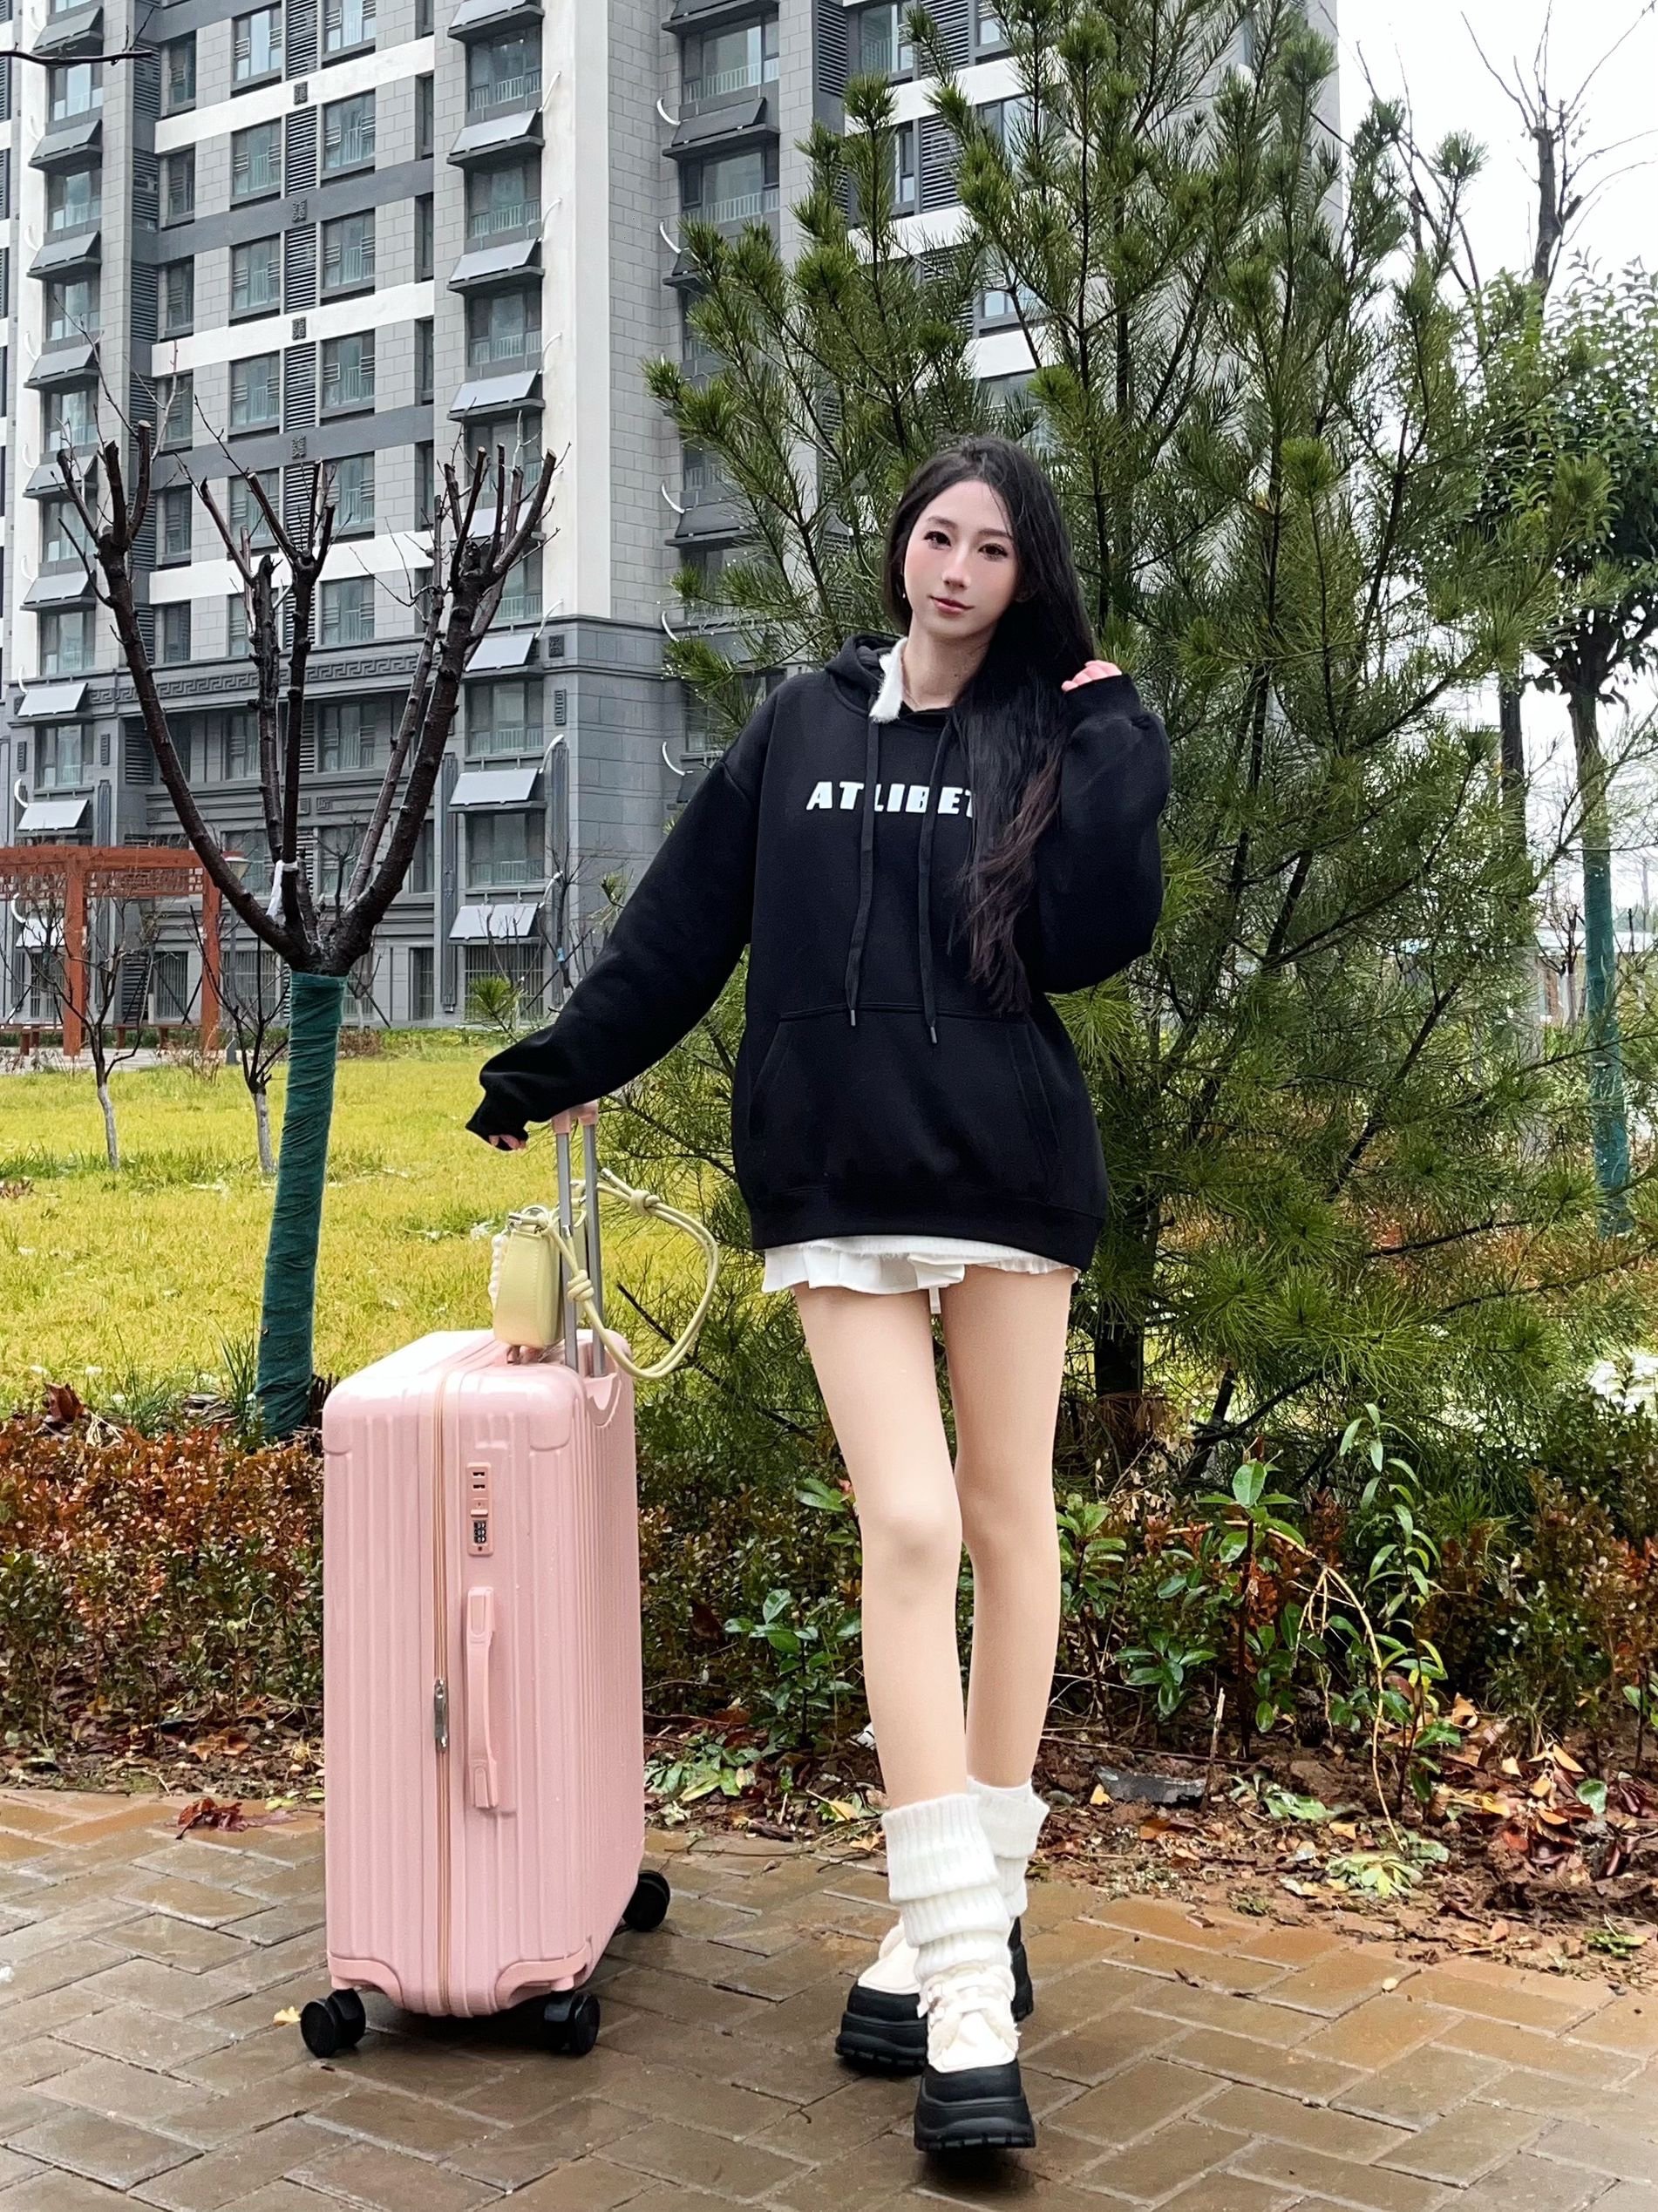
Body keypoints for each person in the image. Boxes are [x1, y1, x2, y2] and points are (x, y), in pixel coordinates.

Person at [466, 431, 1172, 2154]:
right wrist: (564, 1063)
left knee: (1008, 1519)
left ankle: (965, 1913)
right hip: (836, 1179)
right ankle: (971, 1992)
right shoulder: (798, 723)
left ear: (1024, 577)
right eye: (939, 535)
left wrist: (1113, 743)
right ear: (900, 545)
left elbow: (1093, 938)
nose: (958, 570)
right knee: (911, 1526)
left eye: (993, 550)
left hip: (1004, 1166)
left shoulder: (1040, 730)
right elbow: (679, 928)